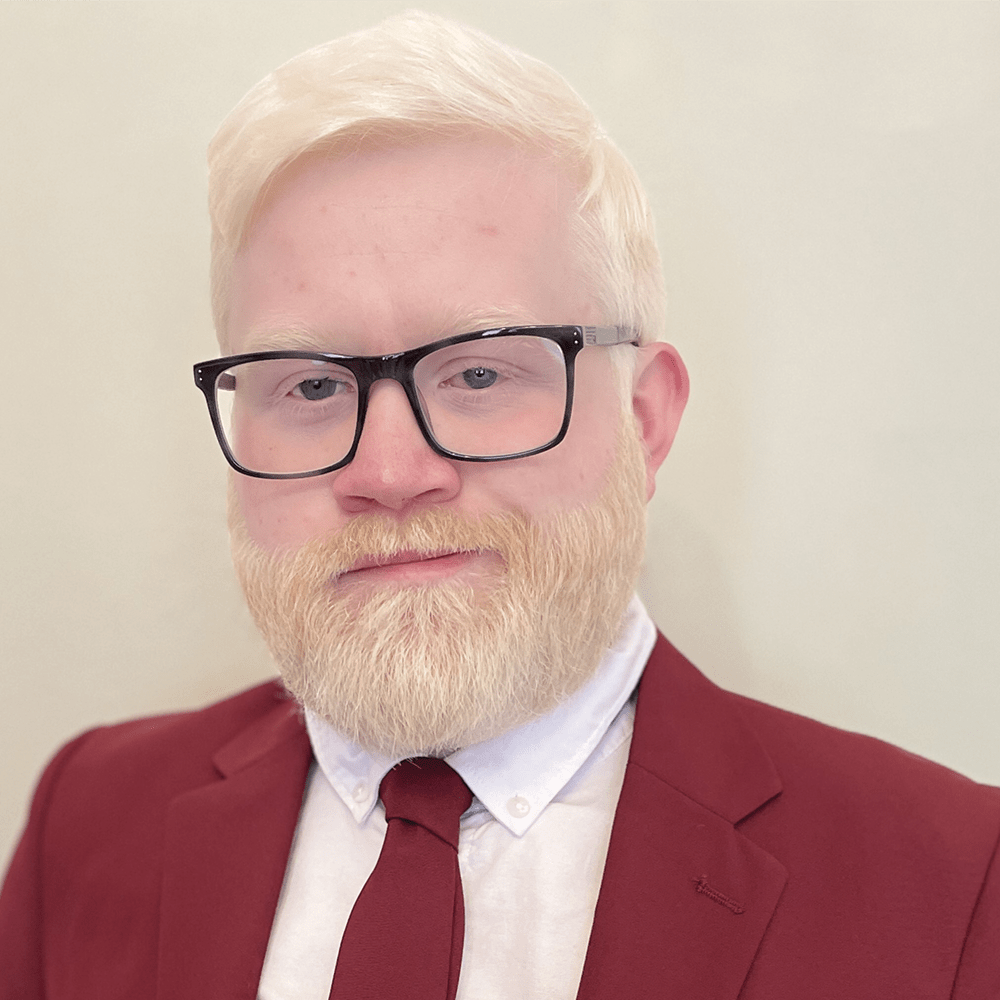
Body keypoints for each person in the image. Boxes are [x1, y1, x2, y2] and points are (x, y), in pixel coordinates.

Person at [1, 10, 998, 999]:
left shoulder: (953, 884)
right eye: (310, 385)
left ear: (644, 418)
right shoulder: (85, 821)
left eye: (478, 372)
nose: (390, 472)